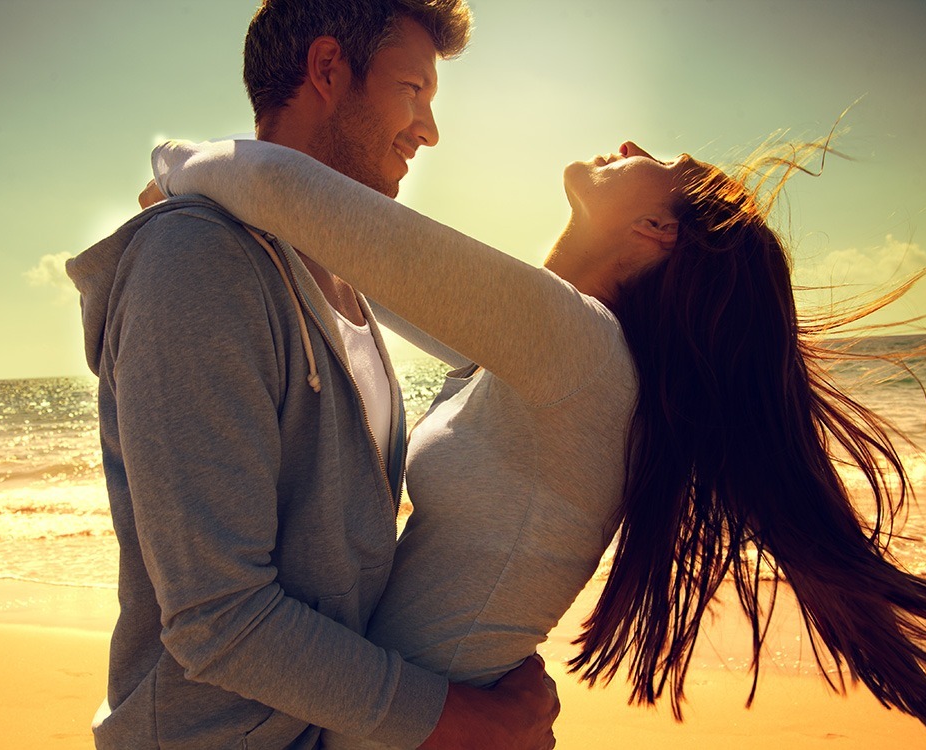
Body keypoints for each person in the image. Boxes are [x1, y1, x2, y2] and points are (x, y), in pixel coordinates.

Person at [147, 131, 926, 744]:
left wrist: (171, 170)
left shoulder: (576, 348)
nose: (632, 144)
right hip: (424, 725)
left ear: (656, 228)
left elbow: (276, 183)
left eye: (665, 161)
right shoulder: (569, 360)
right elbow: (344, 253)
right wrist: (229, 206)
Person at [65, 2, 560, 749]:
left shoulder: (341, 281)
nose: (428, 130)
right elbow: (219, 617)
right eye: (412, 90)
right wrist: (466, 723)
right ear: (328, 68)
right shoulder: (197, 264)